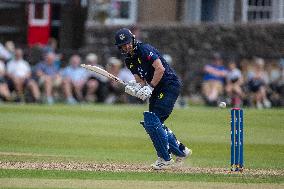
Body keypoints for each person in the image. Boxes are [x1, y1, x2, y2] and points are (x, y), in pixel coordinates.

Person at [114, 28, 192, 170]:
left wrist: (149, 87)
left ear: (132, 39)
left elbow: (160, 69)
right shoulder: (129, 61)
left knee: (152, 121)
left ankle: (165, 158)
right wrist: (135, 89)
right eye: (123, 45)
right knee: (154, 122)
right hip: (156, 89)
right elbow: (140, 81)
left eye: (127, 43)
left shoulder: (144, 49)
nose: (127, 47)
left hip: (169, 85)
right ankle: (181, 151)